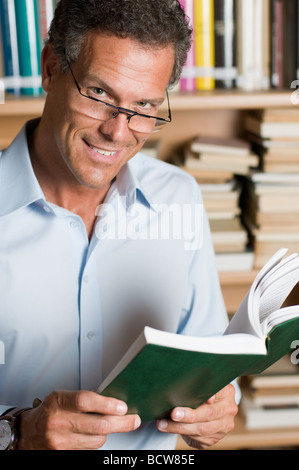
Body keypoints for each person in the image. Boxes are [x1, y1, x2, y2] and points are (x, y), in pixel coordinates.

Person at [0, 0, 238, 450]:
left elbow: (208, 359)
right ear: (51, 68)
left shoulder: (178, 197)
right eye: (100, 94)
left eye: (144, 105)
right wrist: (17, 432)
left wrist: (216, 411)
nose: (118, 130)